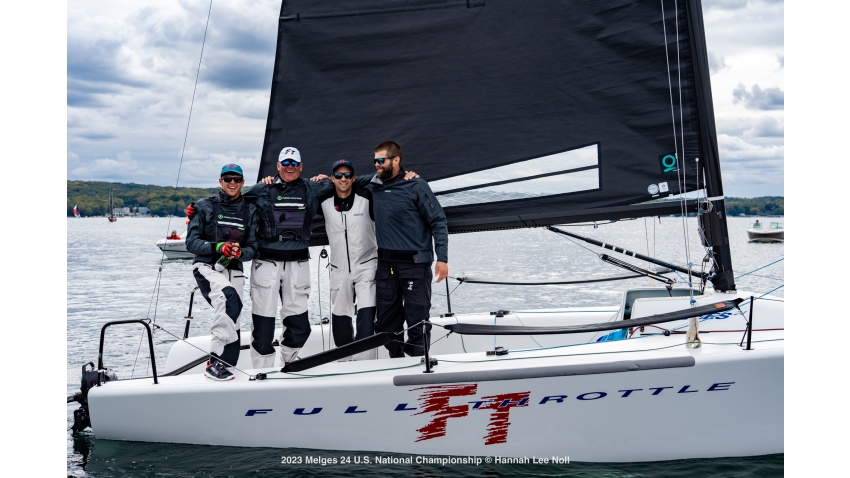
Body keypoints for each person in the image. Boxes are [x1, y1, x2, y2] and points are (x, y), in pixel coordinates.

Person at [370, 141, 448, 358]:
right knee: (386, 321)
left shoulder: (416, 185)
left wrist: (442, 257)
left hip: (415, 264)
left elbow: (438, 221)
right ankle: (395, 360)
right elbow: (345, 185)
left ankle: (417, 362)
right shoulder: (373, 185)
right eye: (375, 160)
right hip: (386, 266)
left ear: (396, 160)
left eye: (381, 160)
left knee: (417, 319)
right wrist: (325, 179)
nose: (376, 164)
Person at [185, 163, 258, 380]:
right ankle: (214, 361)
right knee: (228, 298)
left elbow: (252, 247)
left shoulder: (250, 209)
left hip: (234, 269)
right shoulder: (203, 206)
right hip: (207, 267)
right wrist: (218, 247)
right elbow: (191, 243)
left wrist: (239, 253)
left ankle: (227, 367)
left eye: (237, 179)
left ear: (243, 183)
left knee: (233, 317)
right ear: (220, 182)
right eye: (228, 179)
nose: (232, 183)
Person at [318, 159, 378, 360]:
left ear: (354, 177)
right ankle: (344, 363)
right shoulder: (324, 202)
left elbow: (381, 178)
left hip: (366, 266)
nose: (343, 179)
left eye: (347, 175)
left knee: (366, 318)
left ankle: (365, 364)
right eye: (338, 175)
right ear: (332, 178)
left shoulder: (367, 198)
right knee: (341, 320)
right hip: (338, 268)